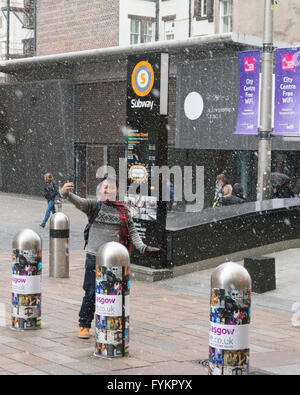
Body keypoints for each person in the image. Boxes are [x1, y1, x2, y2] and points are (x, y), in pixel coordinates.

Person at [61, 176, 165, 339]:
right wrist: (66, 194)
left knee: (114, 292)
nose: (106, 189)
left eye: (109, 187)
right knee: (91, 292)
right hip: (94, 257)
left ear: (116, 191)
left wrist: (144, 249)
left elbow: (133, 234)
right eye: (103, 187)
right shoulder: (94, 206)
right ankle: (84, 324)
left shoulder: (123, 211)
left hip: (115, 260)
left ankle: (112, 321)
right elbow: (79, 202)